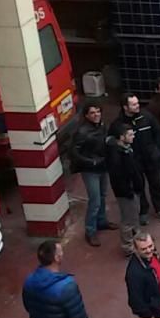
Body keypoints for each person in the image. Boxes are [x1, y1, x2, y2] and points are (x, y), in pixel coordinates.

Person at [109, 94, 160, 225]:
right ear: (125, 107)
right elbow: (112, 141)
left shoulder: (147, 117)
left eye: (137, 103)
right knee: (138, 187)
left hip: (151, 158)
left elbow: (158, 133)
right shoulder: (118, 124)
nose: (137, 106)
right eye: (134, 104)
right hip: (133, 162)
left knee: (156, 183)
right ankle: (143, 211)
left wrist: (157, 151)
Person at [72, 104, 116, 247]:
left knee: (103, 195)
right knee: (95, 200)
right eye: (92, 112)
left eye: (98, 111)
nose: (96, 114)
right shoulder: (82, 132)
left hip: (102, 167)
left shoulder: (102, 126)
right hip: (90, 170)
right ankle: (90, 231)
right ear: (86, 115)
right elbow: (74, 153)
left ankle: (101, 222)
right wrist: (92, 162)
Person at [107, 124, 144, 256]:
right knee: (128, 219)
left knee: (134, 216)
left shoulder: (126, 150)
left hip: (132, 189)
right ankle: (128, 246)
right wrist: (128, 191)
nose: (133, 136)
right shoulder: (117, 155)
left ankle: (138, 240)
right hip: (126, 192)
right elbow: (118, 176)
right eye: (130, 134)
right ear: (122, 137)